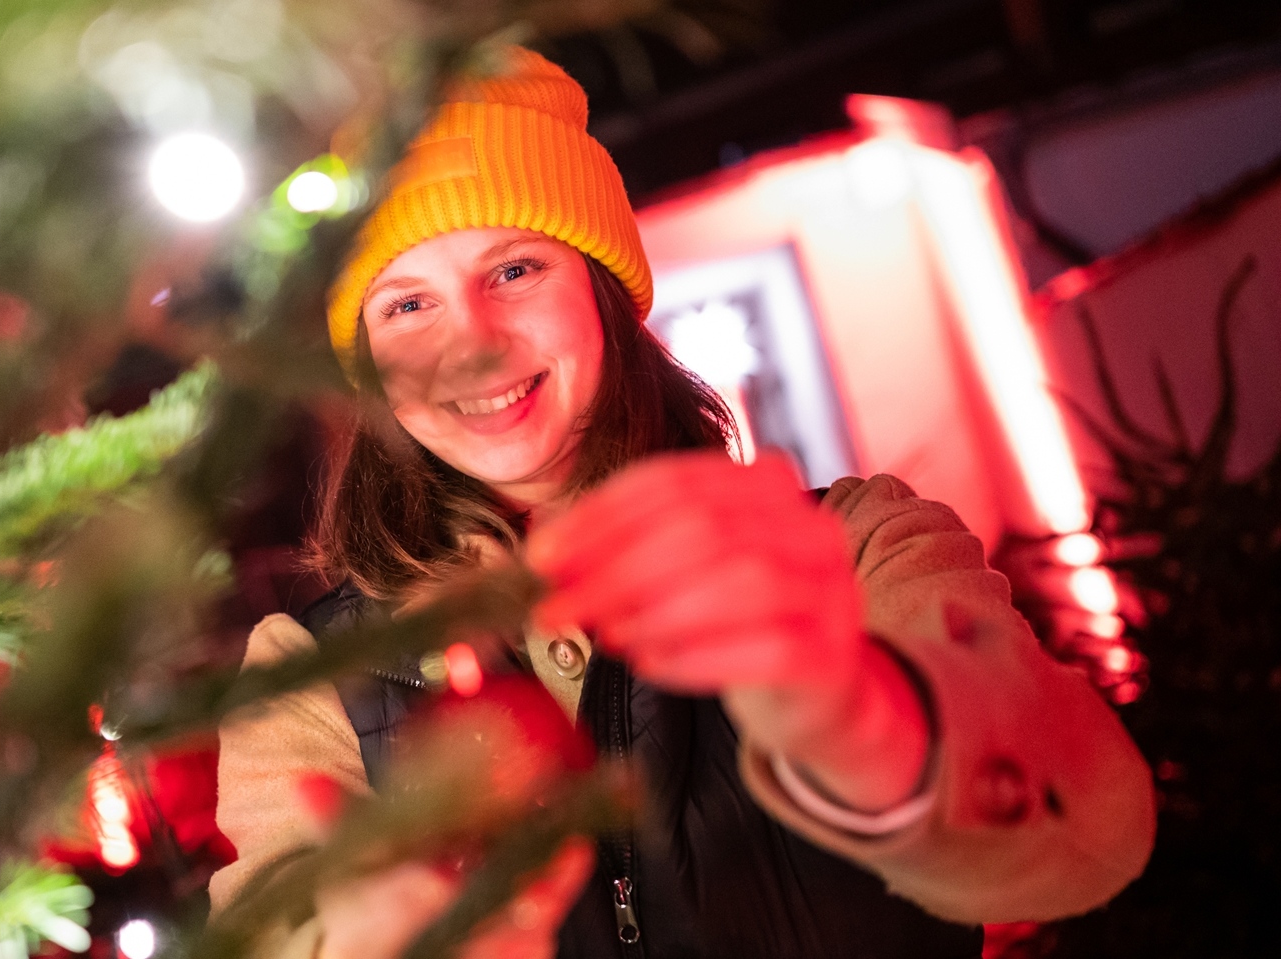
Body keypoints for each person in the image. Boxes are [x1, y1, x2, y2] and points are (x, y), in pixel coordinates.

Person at [210, 47, 1154, 959]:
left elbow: (1091, 834)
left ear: (603, 292)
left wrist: (862, 712)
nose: (473, 345)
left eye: (515, 270)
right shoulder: (306, 673)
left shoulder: (857, 544)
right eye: (407, 305)